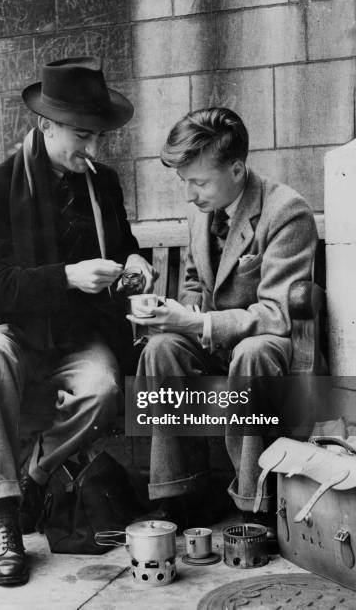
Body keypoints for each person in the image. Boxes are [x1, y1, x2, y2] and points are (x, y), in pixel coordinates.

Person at [0, 57, 155, 587]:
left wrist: (134, 265)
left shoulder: (102, 183)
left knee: (105, 387)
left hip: (79, 337)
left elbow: (124, 245)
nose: (94, 149)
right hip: (11, 331)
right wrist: (67, 276)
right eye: (83, 136)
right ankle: (3, 520)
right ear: (45, 126)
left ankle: (30, 484)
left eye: (99, 137)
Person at [129, 107, 317, 535]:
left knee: (252, 354)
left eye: (198, 182)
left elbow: (276, 316)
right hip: (215, 342)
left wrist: (197, 325)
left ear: (237, 169)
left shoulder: (287, 211)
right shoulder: (201, 211)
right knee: (160, 348)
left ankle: (258, 506)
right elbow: (195, 284)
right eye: (184, 182)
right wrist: (170, 312)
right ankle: (183, 495)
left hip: (266, 348)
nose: (189, 195)